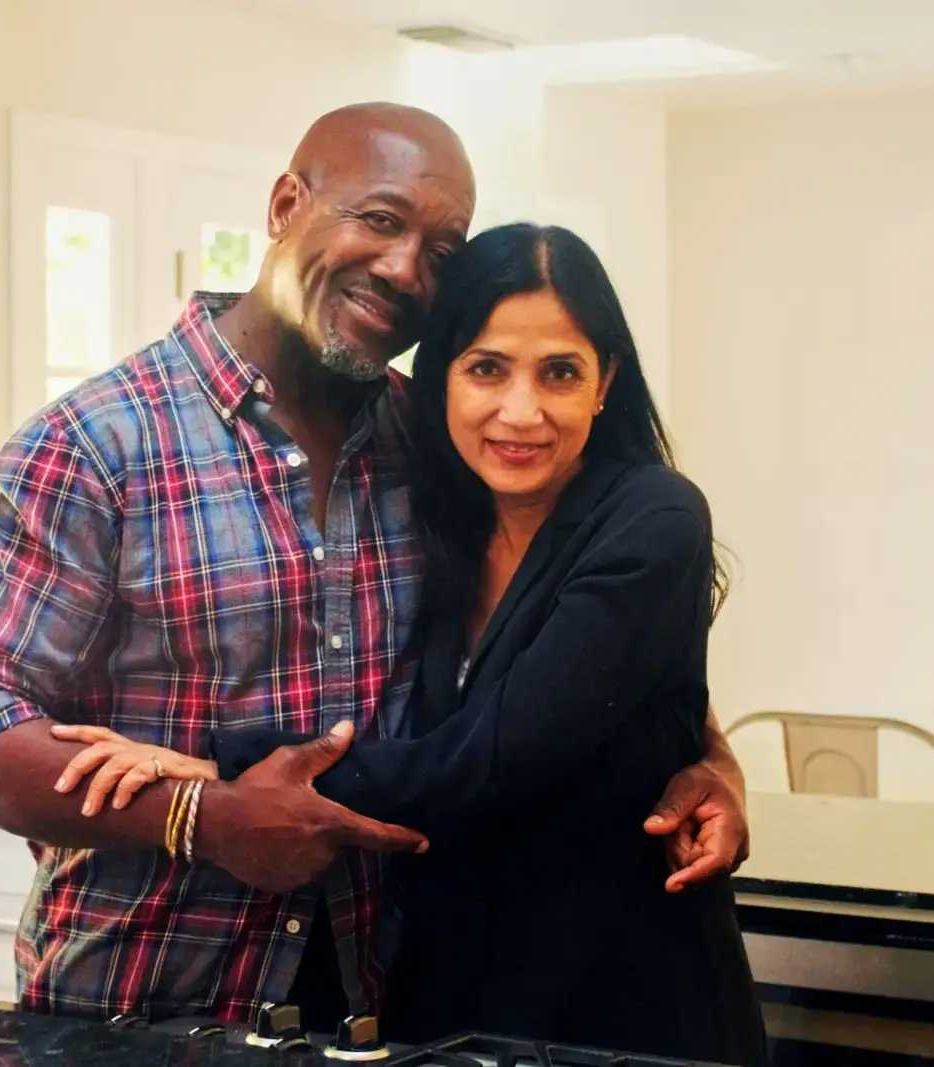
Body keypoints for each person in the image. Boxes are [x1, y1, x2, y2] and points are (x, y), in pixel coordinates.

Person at [0, 102, 748, 1027]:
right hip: (145, 1003)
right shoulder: (96, 445)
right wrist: (199, 815)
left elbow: (567, 648)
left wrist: (708, 758)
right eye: (380, 219)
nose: (403, 268)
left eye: (441, 251)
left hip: (377, 1005)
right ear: (285, 206)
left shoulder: (434, 439)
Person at [70, 223, 765, 1063]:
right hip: (445, 1000)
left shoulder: (653, 516)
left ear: (604, 382)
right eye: (487, 368)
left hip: (620, 1009)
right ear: (438, 379)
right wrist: (711, 751)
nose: (522, 411)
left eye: (560, 372)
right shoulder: (434, 512)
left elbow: (492, 756)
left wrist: (217, 763)